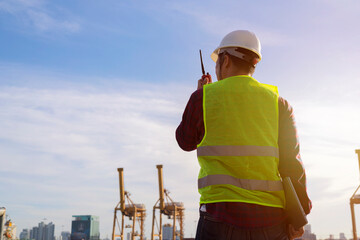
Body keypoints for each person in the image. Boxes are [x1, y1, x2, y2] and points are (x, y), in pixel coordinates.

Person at [176, 30, 311, 240]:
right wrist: (299, 213)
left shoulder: (203, 98)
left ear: (226, 60)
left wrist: (200, 96)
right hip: (271, 219)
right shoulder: (280, 105)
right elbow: (292, 165)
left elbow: (185, 141)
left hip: (218, 217)